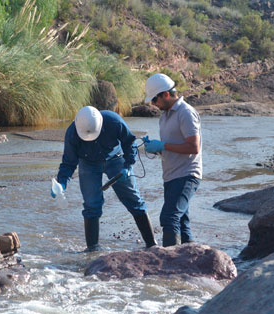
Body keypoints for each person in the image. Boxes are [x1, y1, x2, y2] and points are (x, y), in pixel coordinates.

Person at [52, 106, 157, 251]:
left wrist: (128, 166)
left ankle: (151, 245)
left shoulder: (114, 121)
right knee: (91, 204)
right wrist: (62, 183)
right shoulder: (72, 133)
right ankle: (93, 250)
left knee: (133, 199)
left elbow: (130, 143)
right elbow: (68, 163)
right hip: (88, 164)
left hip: (116, 159)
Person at [143, 73, 202, 247]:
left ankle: (169, 264)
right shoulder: (165, 116)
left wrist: (162, 146)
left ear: (166, 95)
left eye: (155, 100)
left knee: (169, 217)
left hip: (187, 174)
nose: (153, 104)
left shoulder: (186, 113)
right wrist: (157, 149)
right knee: (182, 221)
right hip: (171, 176)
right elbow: (172, 146)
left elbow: (194, 147)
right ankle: (188, 259)